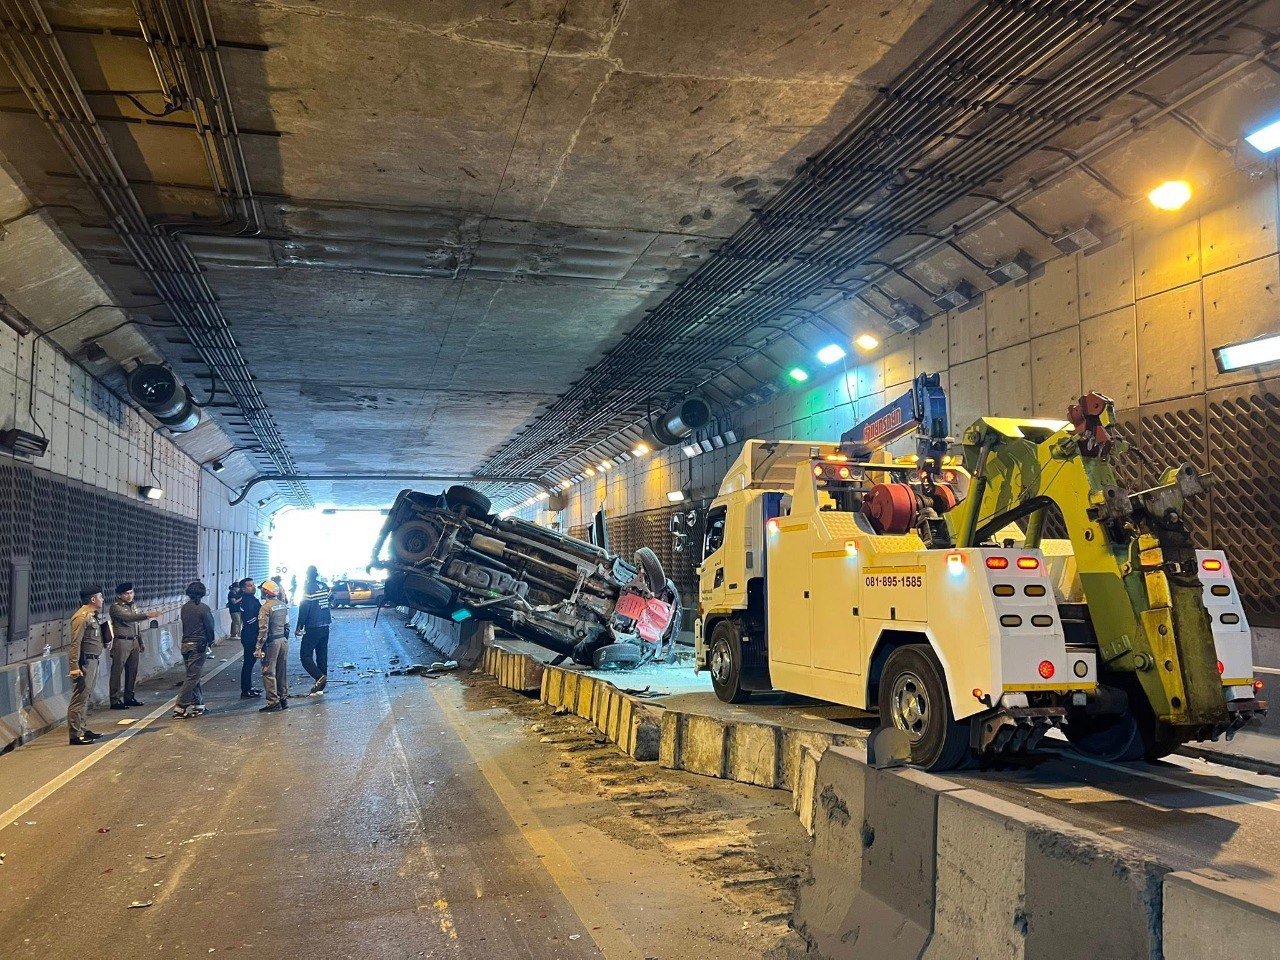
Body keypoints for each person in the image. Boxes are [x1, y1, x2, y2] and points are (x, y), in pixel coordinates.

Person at [108, 582, 159, 709]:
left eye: (131, 593)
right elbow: (129, 618)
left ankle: (129, 696)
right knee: (117, 671)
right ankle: (114, 699)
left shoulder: (133, 606)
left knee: (132, 670)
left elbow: (136, 625)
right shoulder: (115, 607)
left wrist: (140, 641)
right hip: (122, 641)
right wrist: (147, 615)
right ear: (119, 595)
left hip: (134, 641)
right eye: (126, 593)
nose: (130, 595)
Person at [67, 587, 106, 746]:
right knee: (79, 698)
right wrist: (74, 666)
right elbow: (75, 643)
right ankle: (75, 734)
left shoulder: (91, 616)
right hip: (85, 662)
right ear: (93, 600)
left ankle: (82, 729)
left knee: (85, 697)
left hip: (93, 660)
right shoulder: (81, 617)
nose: (102, 600)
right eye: (100, 597)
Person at [175, 581, 215, 719]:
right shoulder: (203, 608)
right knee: (192, 677)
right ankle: (180, 707)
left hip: (186, 644)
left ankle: (198, 704)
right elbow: (209, 626)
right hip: (199, 645)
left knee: (193, 675)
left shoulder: (185, 607)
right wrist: (211, 641)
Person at [256, 579, 291, 713]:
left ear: (265, 592)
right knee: (281, 670)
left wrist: (259, 646)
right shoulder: (283, 605)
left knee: (268, 671)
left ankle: (273, 701)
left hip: (272, 643)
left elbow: (263, 629)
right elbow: (287, 625)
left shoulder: (265, 608)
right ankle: (283, 698)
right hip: (283, 640)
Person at [296, 566, 331, 696]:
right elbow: (330, 599)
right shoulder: (324, 585)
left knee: (305, 655)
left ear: (307, 574)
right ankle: (320, 687)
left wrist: (300, 625)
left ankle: (319, 676)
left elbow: (304, 607)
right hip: (325, 625)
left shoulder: (308, 588)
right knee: (322, 655)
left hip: (313, 626)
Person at [238, 578, 263, 699]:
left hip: (252, 634)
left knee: (251, 662)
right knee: (248, 662)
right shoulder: (247, 601)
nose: (253, 587)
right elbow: (249, 620)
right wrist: (261, 619)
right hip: (250, 635)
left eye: (253, 585)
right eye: (249, 586)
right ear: (243, 588)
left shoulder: (251, 599)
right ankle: (245, 689)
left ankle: (248, 687)